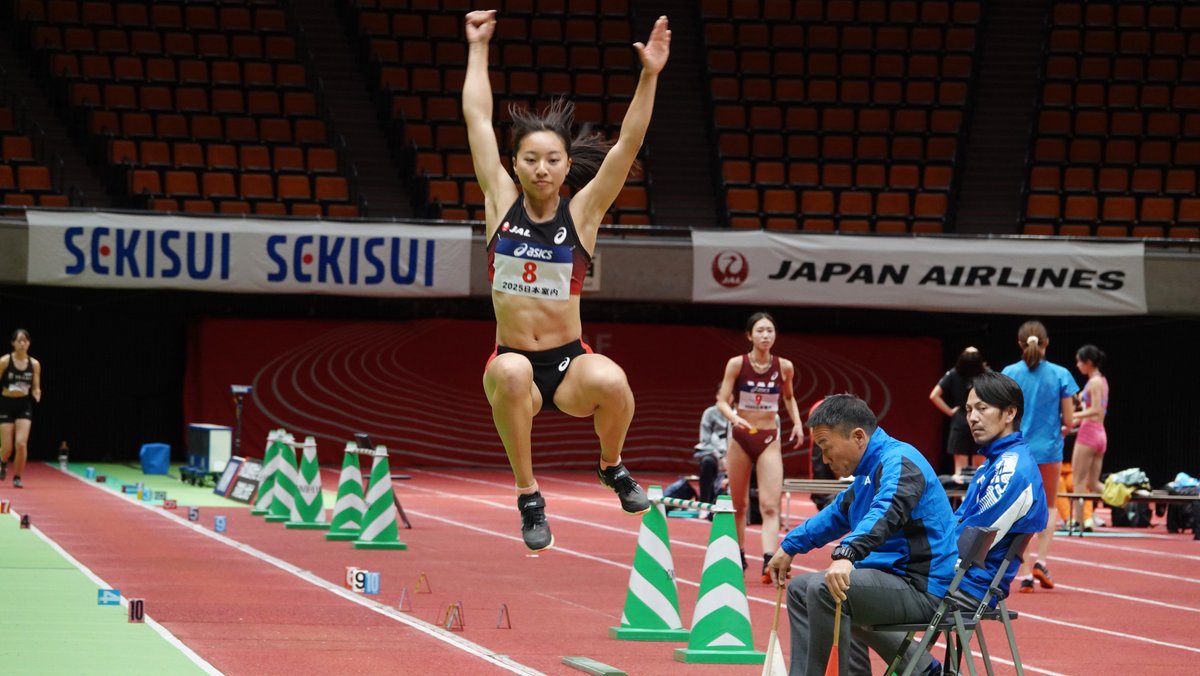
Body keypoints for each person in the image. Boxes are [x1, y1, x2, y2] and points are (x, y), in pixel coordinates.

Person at [464, 9, 671, 551]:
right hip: (514, 369)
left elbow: (627, 146)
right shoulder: (500, 205)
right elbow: (477, 120)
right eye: (530, 159)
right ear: (514, 164)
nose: (541, 168)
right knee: (510, 371)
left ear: (563, 167)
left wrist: (649, 75)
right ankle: (529, 496)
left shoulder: (581, 216)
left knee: (615, 382)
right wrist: (479, 47)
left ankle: (611, 465)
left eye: (551, 159)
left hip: (568, 364)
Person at [764, 394, 957, 676]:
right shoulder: (869, 470)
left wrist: (847, 553)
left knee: (826, 589)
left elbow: (886, 510)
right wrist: (790, 545)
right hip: (891, 579)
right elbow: (837, 514)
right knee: (800, 589)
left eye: (825, 447)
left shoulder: (899, 462)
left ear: (857, 437)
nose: (824, 458)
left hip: (920, 587)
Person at [870, 371, 1049, 674]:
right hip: (952, 579)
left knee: (845, 596)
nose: (973, 418)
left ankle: (924, 670)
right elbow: (956, 524)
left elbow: (970, 541)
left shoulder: (1012, 470)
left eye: (982, 408)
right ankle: (925, 669)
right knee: (851, 584)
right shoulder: (992, 465)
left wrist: (906, 558)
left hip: (961, 588)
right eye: (968, 410)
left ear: (1009, 413)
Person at [716, 312, 805, 583]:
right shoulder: (736, 364)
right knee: (739, 505)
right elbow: (721, 400)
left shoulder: (784, 366)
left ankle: (769, 559)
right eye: (760, 331)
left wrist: (799, 424)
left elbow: (789, 397)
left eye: (770, 330)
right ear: (749, 335)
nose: (766, 335)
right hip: (741, 437)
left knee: (769, 505)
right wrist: (734, 417)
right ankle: (738, 554)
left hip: (769, 438)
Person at [1001, 321, 1077, 593]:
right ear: (1046, 343)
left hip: (1017, 449)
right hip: (1049, 450)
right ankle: (1042, 561)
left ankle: (1023, 572)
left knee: (1019, 509)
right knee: (1050, 505)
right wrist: (1061, 427)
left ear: (1020, 344)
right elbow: (1068, 419)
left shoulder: (1009, 373)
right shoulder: (1061, 374)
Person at [1070, 344, 1109, 531]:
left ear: (1089, 363)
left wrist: (1073, 416)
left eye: (1080, 361)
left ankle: (1080, 521)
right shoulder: (1102, 380)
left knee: (1078, 480)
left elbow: (1096, 410)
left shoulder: (1094, 382)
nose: (1077, 365)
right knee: (1093, 483)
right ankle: (1124, 499)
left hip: (1089, 433)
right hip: (1100, 433)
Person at [928, 346, 986, 473]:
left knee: (960, 472)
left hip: (960, 421)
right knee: (981, 470)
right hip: (981, 421)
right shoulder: (986, 374)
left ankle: (960, 493)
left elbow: (934, 395)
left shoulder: (953, 373)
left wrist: (949, 411)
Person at [0, 329, 42, 488]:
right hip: (5, 404)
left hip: (23, 405)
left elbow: (36, 387)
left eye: (25, 341)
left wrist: (37, 393)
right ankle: (2, 461)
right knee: (7, 448)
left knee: (21, 444)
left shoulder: (34, 364)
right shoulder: (4, 361)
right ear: (13, 343)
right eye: (19, 341)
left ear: (29, 343)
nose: (23, 344)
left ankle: (17, 476)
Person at [693, 390, 730, 506]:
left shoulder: (737, 414)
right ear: (718, 396)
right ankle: (704, 503)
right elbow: (705, 440)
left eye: (730, 394)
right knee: (707, 462)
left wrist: (729, 457)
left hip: (733, 454)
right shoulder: (709, 413)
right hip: (712, 453)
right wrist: (720, 457)